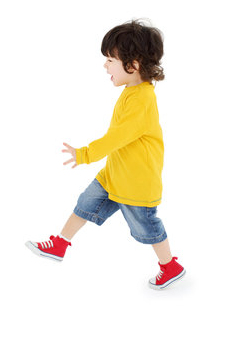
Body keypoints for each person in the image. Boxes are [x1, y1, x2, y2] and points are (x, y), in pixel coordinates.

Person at [25, 18, 186, 290]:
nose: (105, 65)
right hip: (114, 175)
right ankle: (60, 244)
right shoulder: (131, 90)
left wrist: (85, 153)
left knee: (147, 227)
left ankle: (170, 266)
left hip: (136, 183)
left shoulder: (142, 100)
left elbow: (116, 138)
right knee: (85, 203)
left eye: (110, 59)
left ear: (133, 65)